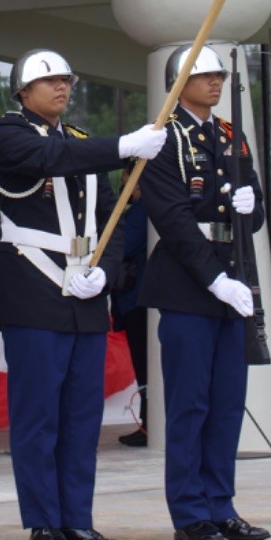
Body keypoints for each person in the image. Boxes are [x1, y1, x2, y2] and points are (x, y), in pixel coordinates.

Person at [0, 48, 165, 540]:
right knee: (38, 415)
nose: (61, 88)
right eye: (50, 81)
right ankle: (43, 523)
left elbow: (113, 217)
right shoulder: (7, 135)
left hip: (84, 290)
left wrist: (104, 275)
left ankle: (77, 520)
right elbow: (49, 161)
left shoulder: (82, 142)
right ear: (23, 91)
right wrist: (124, 144)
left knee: (82, 417)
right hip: (31, 288)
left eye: (66, 80)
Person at [136, 44, 270, 540]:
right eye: (204, 75)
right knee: (189, 403)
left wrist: (250, 204)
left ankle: (222, 503)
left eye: (219, 76)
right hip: (189, 284)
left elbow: (253, 217)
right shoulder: (162, 139)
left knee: (227, 402)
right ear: (178, 83)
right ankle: (190, 510)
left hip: (231, 280)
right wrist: (213, 279)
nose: (215, 83)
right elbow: (171, 219)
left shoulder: (230, 136)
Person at [110, 189, 151, 447]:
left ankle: (150, 425)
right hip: (138, 300)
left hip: (138, 301)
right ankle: (149, 423)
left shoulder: (141, 211)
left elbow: (122, 246)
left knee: (145, 366)